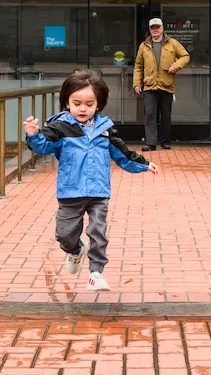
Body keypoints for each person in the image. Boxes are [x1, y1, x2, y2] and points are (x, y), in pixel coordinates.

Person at [23, 70, 160, 291]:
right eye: (77, 103)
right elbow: (43, 147)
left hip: (98, 192)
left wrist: (144, 164)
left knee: (98, 231)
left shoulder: (105, 130)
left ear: (98, 105)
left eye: (89, 104)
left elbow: (122, 154)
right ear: (67, 102)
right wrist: (33, 135)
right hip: (70, 192)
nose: (82, 109)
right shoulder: (60, 128)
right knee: (64, 235)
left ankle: (96, 273)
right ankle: (76, 250)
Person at [133, 18, 190, 151]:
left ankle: (165, 141)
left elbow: (185, 56)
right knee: (150, 114)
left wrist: (175, 66)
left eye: (157, 27)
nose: (155, 30)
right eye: (153, 28)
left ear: (162, 28)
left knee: (165, 115)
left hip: (166, 85)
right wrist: (137, 83)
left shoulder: (173, 43)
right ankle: (151, 142)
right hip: (149, 85)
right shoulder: (144, 45)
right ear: (150, 30)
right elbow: (138, 66)